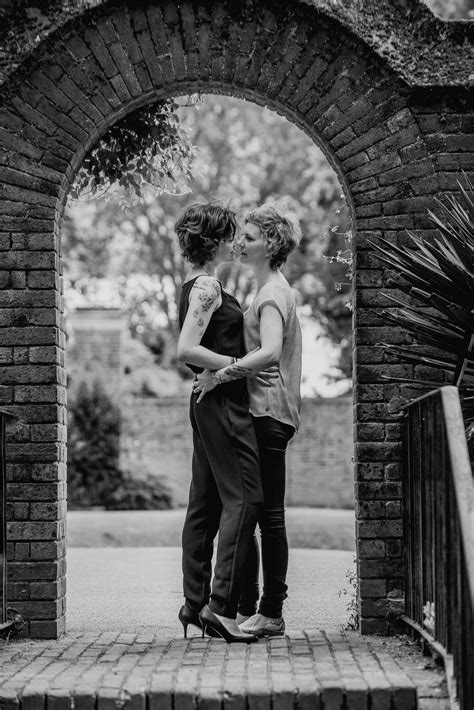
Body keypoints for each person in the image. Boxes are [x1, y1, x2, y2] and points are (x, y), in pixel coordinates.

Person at [193, 203, 302, 638]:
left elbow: (271, 351)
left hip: (269, 412)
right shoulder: (266, 290)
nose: (241, 242)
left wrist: (223, 373)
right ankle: (246, 606)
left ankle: (271, 611)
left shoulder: (273, 294)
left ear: (271, 245)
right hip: (263, 411)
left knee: (269, 515)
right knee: (253, 511)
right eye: (242, 236)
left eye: (251, 237)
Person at [175, 202, 263, 644]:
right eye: (231, 233)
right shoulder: (208, 286)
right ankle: (221, 608)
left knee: (205, 504)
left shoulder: (196, 284)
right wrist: (236, 364)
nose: (236, 241)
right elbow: (186, 349)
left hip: (206, 400)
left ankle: (194, 605)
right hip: (223, 402)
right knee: (246, 498)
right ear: (214, 240)